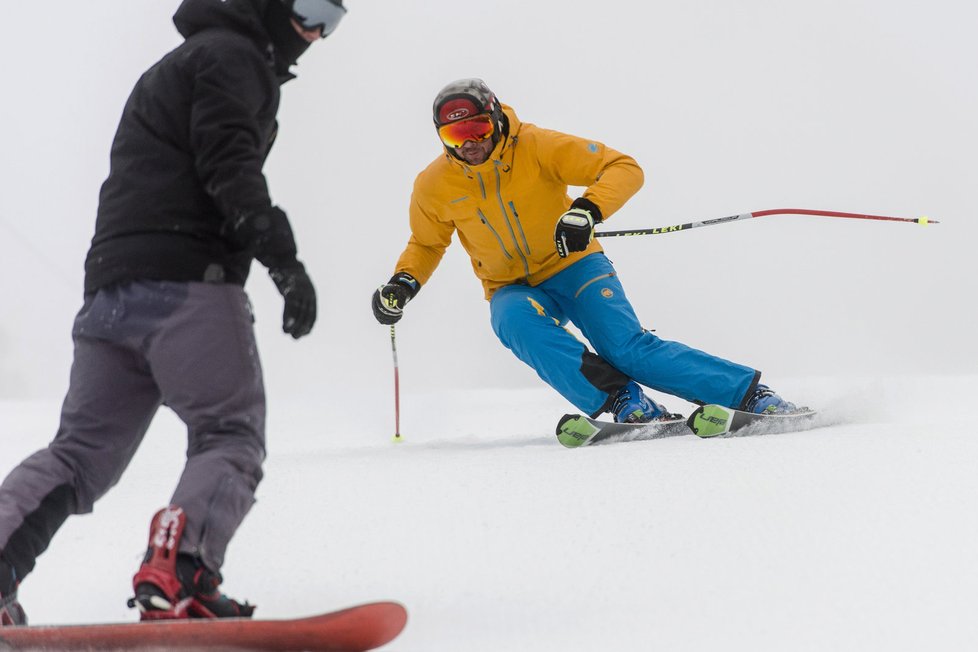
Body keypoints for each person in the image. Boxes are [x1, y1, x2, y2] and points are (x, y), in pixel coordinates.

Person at [0, 0, 347, 627]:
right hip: (189, 282)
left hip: (110, 294)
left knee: (78, 455)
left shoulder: (178, 63)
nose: (317, 33)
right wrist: (282, 260)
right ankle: (179, 571)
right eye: (311, 9)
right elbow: (227, 161)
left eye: (334, 21)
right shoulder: (234, 57)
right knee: (228, 434)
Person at [371, 78, 800, 430]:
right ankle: (626, 402)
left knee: (626, 349)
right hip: (512, 286)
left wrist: (585, 212)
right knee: (511, 319)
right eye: (455, 135)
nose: (470, 143)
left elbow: (623, 167)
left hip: (574, 266)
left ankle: (750, 394)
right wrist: (403, 283)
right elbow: (427, 243)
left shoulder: (536, 146)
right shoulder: (434, 184)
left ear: (497, 118)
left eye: (479, 129)